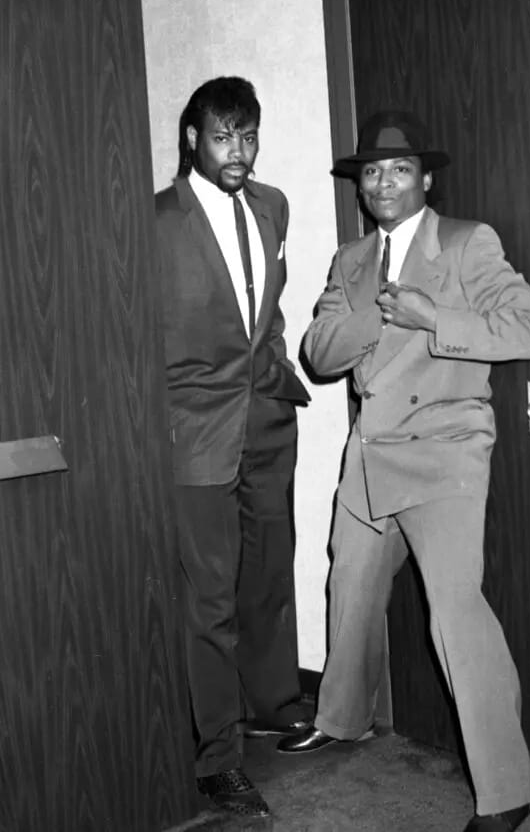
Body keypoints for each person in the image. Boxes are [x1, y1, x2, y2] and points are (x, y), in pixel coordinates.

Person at [278, 110, 530, 832]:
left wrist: (433, 316)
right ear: (361, 187)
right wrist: (373, 314)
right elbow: (319, 352)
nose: (383, 181)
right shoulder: (350, 261)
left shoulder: (466, 243)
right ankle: (341, 719)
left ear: (425, 179)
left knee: (455, 612)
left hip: (445, 449)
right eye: (371, 171)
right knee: (351, 587)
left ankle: (510, 786)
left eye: (399, 169)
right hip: (372, 450)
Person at [155, 76, 310, 819]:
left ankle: (276, 698)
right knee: (209, 597)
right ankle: (217, 756)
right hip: (196, 430)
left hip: (266, 419)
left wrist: (279, 381)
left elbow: (265, 312)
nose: (239, 151)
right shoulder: (153, 220)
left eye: (248, 134)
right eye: (224, 136)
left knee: (270, 571)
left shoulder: (273, 204)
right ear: (193, 138)